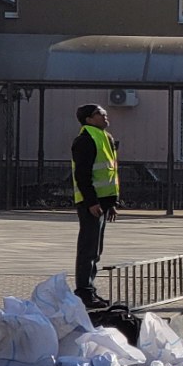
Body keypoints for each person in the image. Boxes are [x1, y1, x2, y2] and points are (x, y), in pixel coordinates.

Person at [70, 103, 120, 309]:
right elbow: (82, 175)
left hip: (102, 203)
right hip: (91, 204)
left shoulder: (105, 137)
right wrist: (91, 202)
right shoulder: (85, 140)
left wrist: (112, 203)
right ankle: (83, 292)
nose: (105, 115)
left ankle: (90, 290)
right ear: (89, 119)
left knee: (96, 250)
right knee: (88, 249)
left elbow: (110, 173)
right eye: (100, 113)